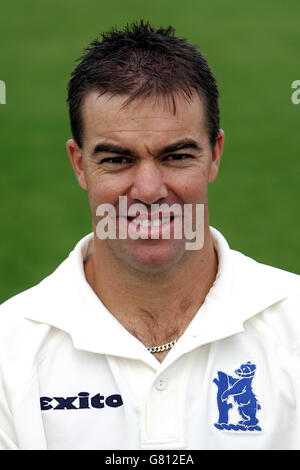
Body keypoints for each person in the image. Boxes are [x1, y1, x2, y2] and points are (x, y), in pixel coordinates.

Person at [0, 21, 299, 451]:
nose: (148, 191)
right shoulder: (10, 351)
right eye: (117, 159)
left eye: (176, 156)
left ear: (214, 154)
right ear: (79, 164)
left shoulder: (294, 326)